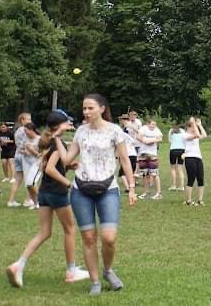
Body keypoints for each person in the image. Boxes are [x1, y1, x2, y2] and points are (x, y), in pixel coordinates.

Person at [53, 93, 137, 296]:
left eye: (90, 108)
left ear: (101, 108)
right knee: (89, 238)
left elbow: (125, 160)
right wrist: (57, 138)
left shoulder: (114, 130)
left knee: (108, 238)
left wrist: (132, 187)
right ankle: (95, 281)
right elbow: (66, 159)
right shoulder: (81, 131)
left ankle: (108, 270)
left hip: (108, 189)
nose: (87, 112)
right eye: (84, 109)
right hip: (81, 190)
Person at [6, 110, 90, 288]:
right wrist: (68, 183)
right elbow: (50, 169)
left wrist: (68, 166)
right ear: (59, 125)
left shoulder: (48, 141)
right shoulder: (56, 144)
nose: (70, 125)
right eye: (67, 122)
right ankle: (71, 271)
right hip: (57, 193)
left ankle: (18, 264)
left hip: (44, 191)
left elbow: (50, 165)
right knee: (69, 229)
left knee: (44, 232)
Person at [8, 113, 34, 208]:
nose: (30, 121)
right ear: (22, 120)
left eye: (30, 119)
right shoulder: (25, 130)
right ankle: (28, 200)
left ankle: (11, 201)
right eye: (28, 119)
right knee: (30, 179)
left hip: (17, 155)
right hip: (24, 156)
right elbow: (27, 144)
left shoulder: (17, 130)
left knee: (17, 179)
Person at [183, 117, 207, 206]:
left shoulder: (195, 134)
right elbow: (197, 135)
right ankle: (188, 201)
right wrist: (193, 123)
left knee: (201, 179)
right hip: (189, 158)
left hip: (198, 158)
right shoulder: (185, 135)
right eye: (191, 127)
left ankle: (200, 200)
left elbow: (204, 135)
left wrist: (199, 125)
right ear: (188, 128)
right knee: (191, 179)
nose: (193, 128)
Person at [137, 119, 163, 200]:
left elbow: (160, 139)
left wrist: (151, 140)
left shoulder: (156, 130)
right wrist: (145, 141)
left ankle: (158, 193)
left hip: (152, 155)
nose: (153, 126)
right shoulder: (143, 128)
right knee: (145, 174)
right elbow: (138, 137)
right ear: (147, 124)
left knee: (155, 174)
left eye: (154, 124)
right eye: (152, 124)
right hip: (143, 154)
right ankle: (146, 192)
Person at [22, 122, 42, 210]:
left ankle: (42, 201)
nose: (25, 132)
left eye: (26, 130)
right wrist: (25, 152)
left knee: (32, 183)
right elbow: (27, 151)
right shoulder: (26, 139)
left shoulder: (40, 139)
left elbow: (41, 155)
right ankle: (35, 203)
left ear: (31, 130)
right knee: (28, 184)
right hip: (27, 163)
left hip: (37, 164)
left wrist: (31, 149)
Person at [119, 115, 138, 193]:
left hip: (126, 154)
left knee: (122, 173)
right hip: (133, 154)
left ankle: (128, 187)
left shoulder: (122, 134)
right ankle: (131, 186)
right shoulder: (128, 134)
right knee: (130, 172)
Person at [168, 124, 185, 191]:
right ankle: (181, 186)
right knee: (180, 168)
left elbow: (170, 141)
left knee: (173, 168)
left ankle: (173, 185)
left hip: (173, 150)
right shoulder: (183, 131)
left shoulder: (171, 131)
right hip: (181, 150)